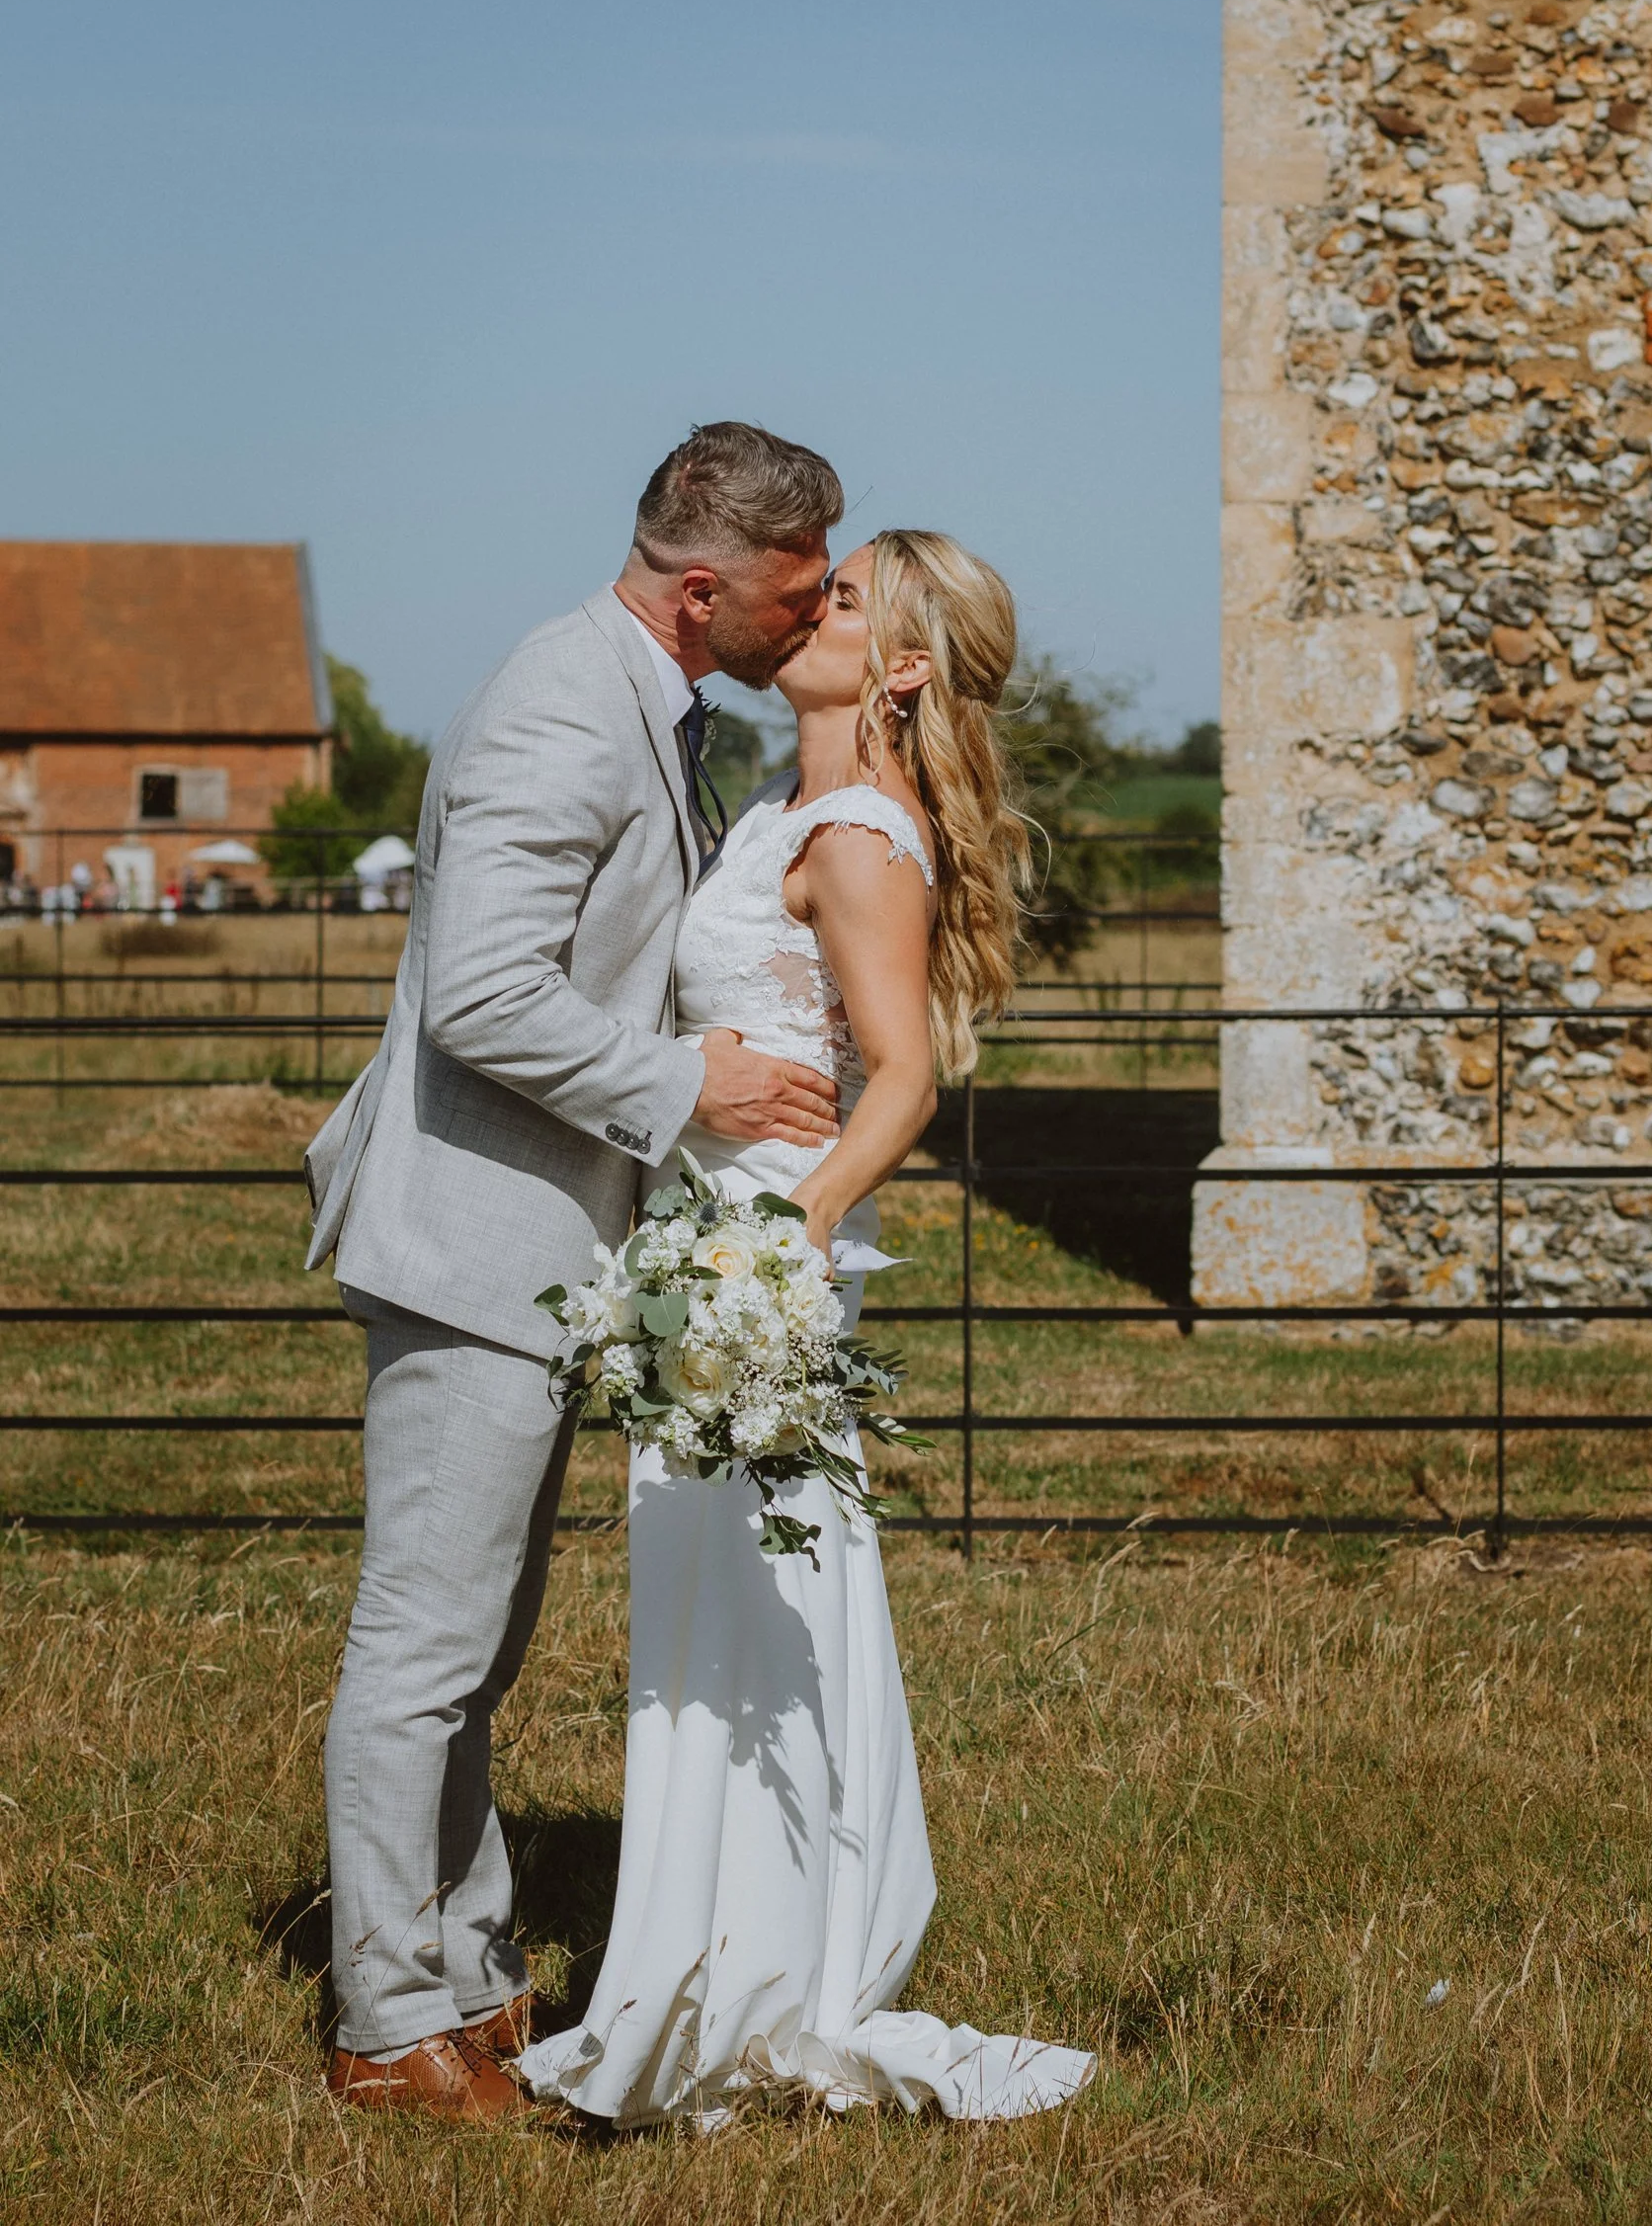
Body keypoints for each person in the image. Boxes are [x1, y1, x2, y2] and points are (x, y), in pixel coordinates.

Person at [519, 531, 1096, 2127]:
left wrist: (794, 1235)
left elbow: (902, 1077)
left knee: (759, 1609)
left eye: (842, 600)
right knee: (714, 1604)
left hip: (758, 1249)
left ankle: (767, 1967)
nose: (805, 608)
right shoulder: (781, 806)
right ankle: (710, 1943)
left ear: (901, 666)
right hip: (702, 1225)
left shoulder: (857, 834)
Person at [305, 423, 847, 2119]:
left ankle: (465, 1981)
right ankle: (386, 2024)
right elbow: (483, 991)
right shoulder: (560, 703)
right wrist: (691, 1086)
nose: (814, 614)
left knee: (479, 1646)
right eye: (797, 591)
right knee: (425, 1646)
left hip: (544, 1252)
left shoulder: (646, 702)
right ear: (701, 592)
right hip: (476, 1243)